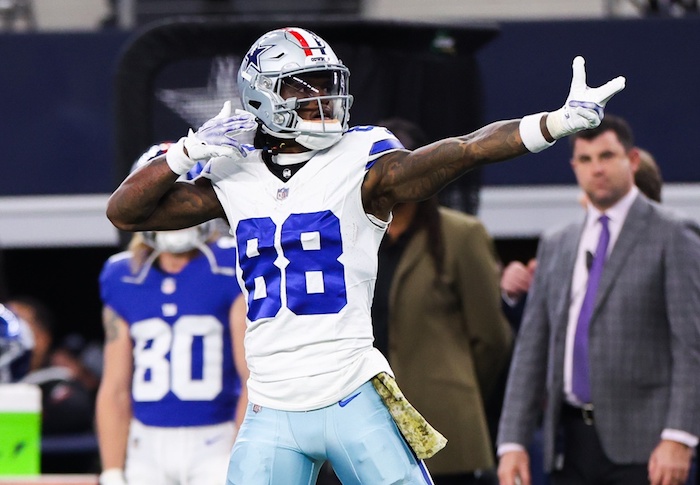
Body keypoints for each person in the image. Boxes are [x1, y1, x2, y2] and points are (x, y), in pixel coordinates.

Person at [105, 26, 625, 485]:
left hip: (351, 393)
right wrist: (185, 153)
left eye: (327, 85)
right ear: (261, 98)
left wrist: (551, 126)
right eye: (302, 89)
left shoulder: (363, 157)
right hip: (270, 406)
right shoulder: (233, 172)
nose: (322, 100)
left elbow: (463, 149)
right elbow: (127, 214)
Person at [496, 114, 700, 485]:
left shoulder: (673, 234)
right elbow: (531, 351)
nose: (597, 169)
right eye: (586, 160)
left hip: (648, 445)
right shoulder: (558, 242)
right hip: (569, 443)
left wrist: (679, 437)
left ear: (632, 160)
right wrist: (513, 441)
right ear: (574, 166)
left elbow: (691, 346)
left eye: (607, 156)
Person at [95, 144, 248, 485]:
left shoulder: (230, 264)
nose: (172, 212)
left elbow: (251, 377)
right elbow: (115, 386)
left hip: (215, 440)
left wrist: (246, 452)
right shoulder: (123, 275)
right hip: (144, 442)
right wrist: (111, 471)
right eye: (162, 201)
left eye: (181, 199)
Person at [372, 118, 512, 485]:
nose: (394, 177)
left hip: (444, 426)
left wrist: (455, 386)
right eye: (383, 167)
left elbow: (492, 339)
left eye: (403, 166)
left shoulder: (461, 235)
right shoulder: (352, 238)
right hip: (366, 427)